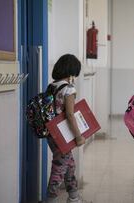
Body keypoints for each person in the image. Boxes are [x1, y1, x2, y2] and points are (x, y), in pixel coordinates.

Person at [46, 54, 86, 203]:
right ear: (71, 71)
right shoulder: (69, 89)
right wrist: (78, 136)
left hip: (52, 133)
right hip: (64, 134)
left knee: (69, 165)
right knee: (59, 168)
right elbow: (69, 114)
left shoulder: (52, 86)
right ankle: (51, 199)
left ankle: (74, 197)